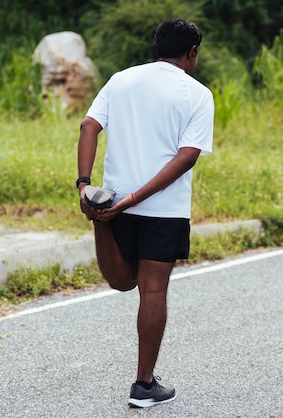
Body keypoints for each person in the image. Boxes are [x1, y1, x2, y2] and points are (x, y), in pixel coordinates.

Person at [76, 18, 214, 408]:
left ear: (157, 47)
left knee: (122, 282)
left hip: (113, 198)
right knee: (152, 289)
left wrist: (85, 185)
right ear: (191, 53)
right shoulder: (198, 93)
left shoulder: (121, 79)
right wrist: (136, 198)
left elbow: (89, 126)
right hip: (163, 209)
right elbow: (187, 156)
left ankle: (98, 215)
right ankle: (144, 385)